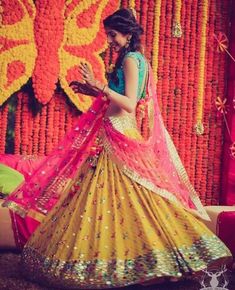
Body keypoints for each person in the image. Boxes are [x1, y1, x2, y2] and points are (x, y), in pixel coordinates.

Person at [2, 8, 232, 289]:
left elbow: (130, 104)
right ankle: (127, 261)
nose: (109, 40)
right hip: (111, 134)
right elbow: (116, 97)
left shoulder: (133, 60)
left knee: (133, 198)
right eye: (108, 34)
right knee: (109, 199)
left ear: (128, 32)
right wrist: (92, 90)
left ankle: (163, 258)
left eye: (112, 35)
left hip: (121, 134)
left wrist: (99, 85)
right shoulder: (128, 58)